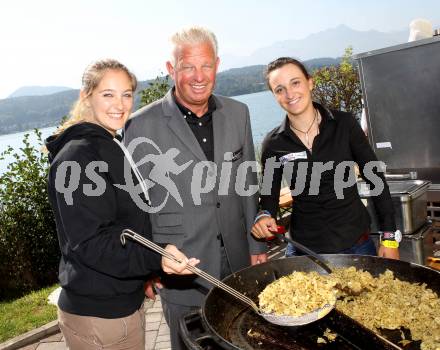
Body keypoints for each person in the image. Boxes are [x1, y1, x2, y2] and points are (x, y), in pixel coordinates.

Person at [124, 26, 268, 349]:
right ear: (171, 69)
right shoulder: (139, 125)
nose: (198, 76)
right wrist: (148, 267)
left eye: (205, 65)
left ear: (217, 64)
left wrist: (256, 246)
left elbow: (248, 185)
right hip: (181, 273)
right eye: (188, 66)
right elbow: (135, 206)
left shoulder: (238, 113)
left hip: (237, 265)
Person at [45, 59, 199, 350]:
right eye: (108, 94)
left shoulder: (108, 143)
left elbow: (124, 223)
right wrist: (157, 258)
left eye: (126, 94)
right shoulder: (78, 157)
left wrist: (147, 272)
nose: (120, 104)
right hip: (100, 315)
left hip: (120, 303)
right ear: (86, 96)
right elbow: (93, 243)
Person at [251, 57, 400, 260]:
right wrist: (264, 215)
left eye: (295, 83)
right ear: (275, 95)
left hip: (356, 244)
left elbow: (376, 180)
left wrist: (389, 238)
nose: (289, 94)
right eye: (279, 89)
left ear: (310, 82)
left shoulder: (345, 124)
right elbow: (268, 197)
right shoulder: (273, 143)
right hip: (304, 251)